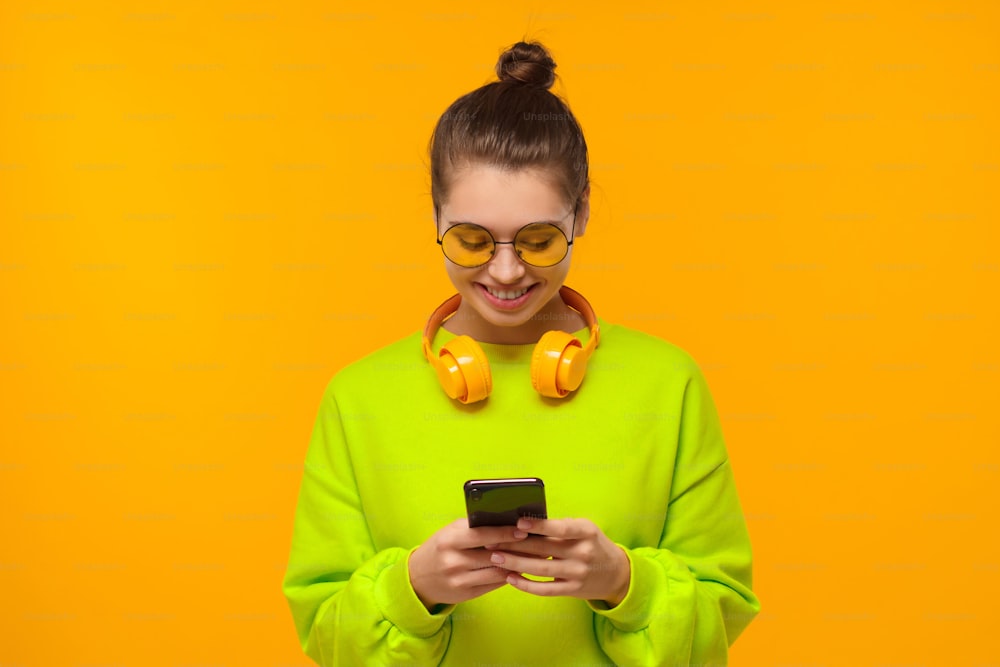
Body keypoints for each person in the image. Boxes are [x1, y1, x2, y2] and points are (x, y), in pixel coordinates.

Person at [282, 39, 760, 666]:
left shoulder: (668, 385)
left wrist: (624, 583)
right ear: (434, 218)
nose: (505, 271)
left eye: (537, 239)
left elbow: (714, 630)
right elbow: (326, 640)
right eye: (472, 240)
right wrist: (414, 589)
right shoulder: (358, 397)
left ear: (582, 212)